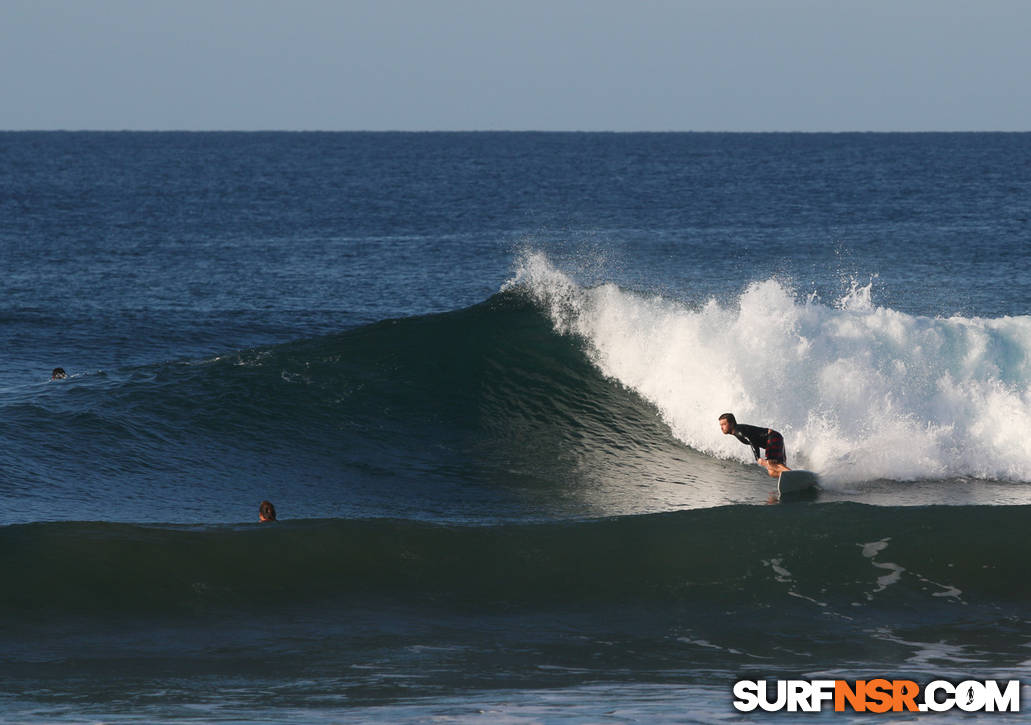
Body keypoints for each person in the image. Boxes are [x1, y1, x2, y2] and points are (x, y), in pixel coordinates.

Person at [719, 413, 791, 478]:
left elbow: (752, 440)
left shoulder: (738, 431)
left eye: (724, 424)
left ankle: (795, 476)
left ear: (731, 423)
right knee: (772, 472)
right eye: (721, 425)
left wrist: (757, 458)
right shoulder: (738, 430)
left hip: (772, 438)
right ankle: (792, 477)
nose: (722, 428)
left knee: (772, 464)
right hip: (775, 437)